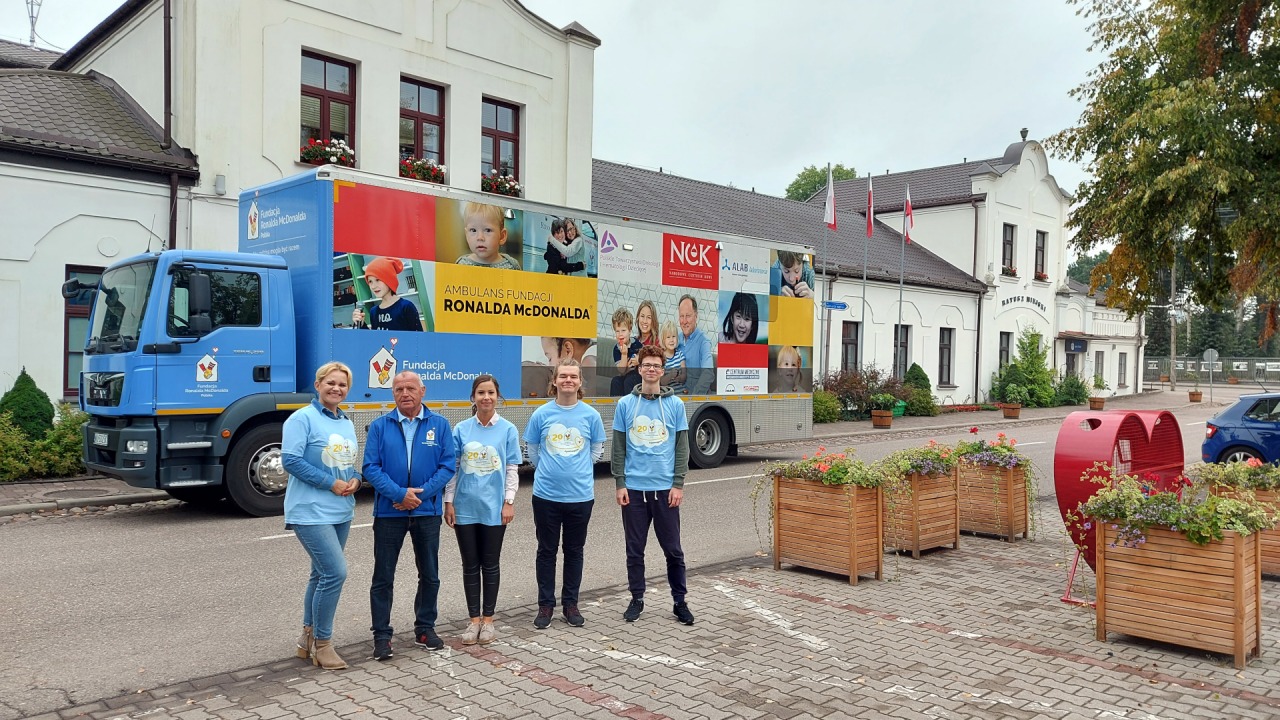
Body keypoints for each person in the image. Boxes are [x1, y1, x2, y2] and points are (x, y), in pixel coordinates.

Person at [361, 371, 457, 661]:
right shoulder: (380, 426)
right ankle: (381, 636)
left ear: (422, 391)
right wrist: (398, 494)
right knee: (383, 576)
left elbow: (448, 465)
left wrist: (420, 495)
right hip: (390, 512)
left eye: (410, 388)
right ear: (393, 394)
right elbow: (370, 467)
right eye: (399, 389)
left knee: (430, 574)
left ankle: (425, 628)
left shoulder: (439, 425)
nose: (405, 393)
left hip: (427, 511)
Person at [283, 361, 361, 670]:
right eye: (331, 382)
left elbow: (348, 462)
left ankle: (306, 638)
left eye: (342, 384)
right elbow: (290, 460)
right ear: (318, 385)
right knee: (335, 573)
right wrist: (330, 483)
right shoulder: (301, 419)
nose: (336, 388)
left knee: (320, 574)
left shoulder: (345, 422)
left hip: (341, 510)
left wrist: (355, 478)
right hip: (309, 510)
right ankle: (323, 644)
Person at [612, 346, 694, 626]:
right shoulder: (625, 405)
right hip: (634, 490)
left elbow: (682, 448)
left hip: (665, 491)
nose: (651, 369)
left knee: (673, 549)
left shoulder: (675, 406)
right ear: (639, 369)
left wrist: (678, 484)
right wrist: (620, 483)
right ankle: (637, 598)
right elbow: (619, 447)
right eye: (646, 364)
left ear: (662, 370)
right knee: (634, 549)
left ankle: (679, 601)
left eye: (656, 366)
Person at [523, 357, 606, 629]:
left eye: (573, 376)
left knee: (574, 551)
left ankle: (571, 604)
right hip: (546, 496)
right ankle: (545, 606)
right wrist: (549, 469)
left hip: (580, 497)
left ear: (580, 381)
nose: (568, 380)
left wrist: (578, 468)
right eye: (563, 376)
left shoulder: (591, 416)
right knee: (546, 551)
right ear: (555, 381)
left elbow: (596, 450)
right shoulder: (541, 415)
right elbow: (532, 451)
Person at [444, 374, 521, 646]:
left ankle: (488, 621)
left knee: (490, 565)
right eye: (480, 393)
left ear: (498, 396)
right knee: (469, 565)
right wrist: (449, 501)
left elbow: (512, 468)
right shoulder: (461, 430)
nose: (486, 397)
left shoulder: (508, 429)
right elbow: (452, 469)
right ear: (473, 398)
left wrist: (508, 501)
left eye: (490, 392)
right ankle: (473, 620)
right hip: (465, 507)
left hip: (494, 509)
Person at [352, 257, 422, 330]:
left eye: (378, 280)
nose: (373, 286)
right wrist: (362, 325)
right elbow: (374, 339)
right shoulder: (374, 312)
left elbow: (419, 338)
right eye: (370, 281)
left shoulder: (406, 307)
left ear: (389, 279)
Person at [457, 202, 520, 269]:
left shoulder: (512, 266)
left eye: (488, 230)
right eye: (473, 230)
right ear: (466, 235)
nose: (480, 237)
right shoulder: (461, 265)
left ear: (502, 236)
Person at [677, 295, 715, 394]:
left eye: (688, 316)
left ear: (696, 316)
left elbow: (708, 374)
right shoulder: (675, 340)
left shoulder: (703, 342)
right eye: (681, 316)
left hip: (696, 399)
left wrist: (693, 399)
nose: (684, 321)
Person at [610, 308, 643, 397]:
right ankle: (616, 406)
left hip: (637, 376)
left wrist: (639, 360)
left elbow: (644, 360)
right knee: (615, 381)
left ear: (630, 331)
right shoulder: (616, 349)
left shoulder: (636, 344)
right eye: (617, 331)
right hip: (624, 375)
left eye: (623, 330)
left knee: (629, 380)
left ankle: (630, 407)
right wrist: (624, 354)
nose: (620, 334)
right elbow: (621, 370)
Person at [659, 320, 686, 393]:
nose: (671, 340)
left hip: (681, 392)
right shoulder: (661, 358)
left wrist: (680, 378)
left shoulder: (680, 355)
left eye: (673, 336)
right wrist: (670, 375)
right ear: (663, 340)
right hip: (667, 394)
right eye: (668, 337)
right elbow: (661, 382)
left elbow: (684, 376)